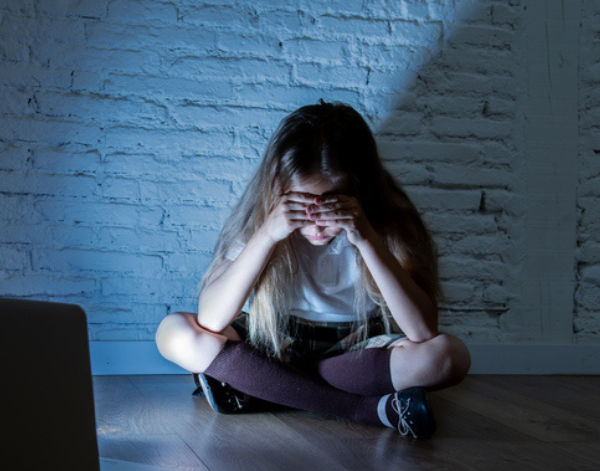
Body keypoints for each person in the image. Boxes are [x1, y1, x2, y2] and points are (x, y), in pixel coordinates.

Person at [155, 101, 471, 439]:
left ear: (360, 191)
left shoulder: (390, 224)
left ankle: (263, 386)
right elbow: (212, 319)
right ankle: (367, 409)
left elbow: (423, 331)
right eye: (303, 206)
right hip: (274, 342)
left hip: (356, 348)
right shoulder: (262, 220)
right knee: (174, 333)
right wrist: (268, 234)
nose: (317, 224)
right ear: (278, 187)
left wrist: (366, 238)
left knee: (449, 357)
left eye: (333, 207)